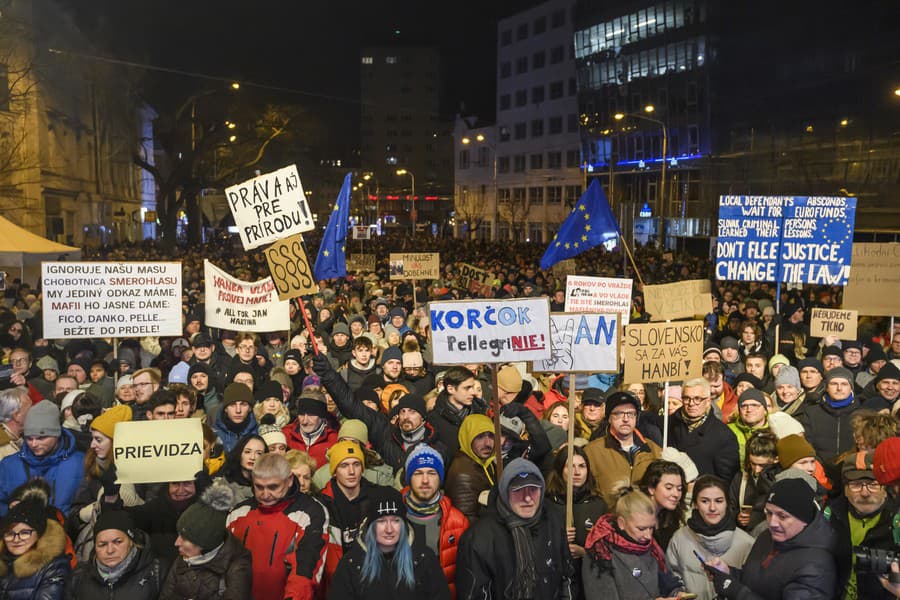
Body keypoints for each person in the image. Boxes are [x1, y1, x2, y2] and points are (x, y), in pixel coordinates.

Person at [456, 457, 573, 600]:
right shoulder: (479, 538)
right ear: (505, 493)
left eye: (533, 489)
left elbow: (567, 578)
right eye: (518, 490)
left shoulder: (552, 521)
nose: (528, 498)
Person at [704, 478, 838, 600]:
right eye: (769, 513)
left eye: (782, 516)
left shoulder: (817, 565)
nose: (772, 523)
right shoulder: (768, 537)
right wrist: (729, 574)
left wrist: (736, 591)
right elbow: (758, 582)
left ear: (803, 518)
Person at [227, 453, 328, 600]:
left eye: (273, 487)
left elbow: (305, 569)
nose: (265, 494)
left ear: (289, 481)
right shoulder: (238, 513)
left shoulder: (311, 512)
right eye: (259, 487)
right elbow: (224, 564)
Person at [328, 486, 451, 600]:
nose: (389, 529)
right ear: (371, 526)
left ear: (403, 524)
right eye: (381, 521)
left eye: (395, 521)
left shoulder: (424, 559)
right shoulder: (351, 564)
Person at [582, 490, 686, 599]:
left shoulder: (652, 547)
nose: (648, 536)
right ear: (622, 523)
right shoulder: (600, 552)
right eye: (641, 529)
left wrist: (677, 593)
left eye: (651, 528)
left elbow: (668, 582)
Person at [160, 480, 253, 600]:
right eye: (179, 535)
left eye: (185, 539)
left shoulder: (237, 567)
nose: (176, 543)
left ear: (205, 544)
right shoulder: (183, 558)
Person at [666, 475, 754, 600]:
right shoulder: (679, 538)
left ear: (727, 503)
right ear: (695, 504)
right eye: (705, 501)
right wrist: (677, 593)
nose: (712, 508)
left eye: (719, 501)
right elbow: (671, 579)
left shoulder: (747, 543)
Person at [826, 450, 897, 600]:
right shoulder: (829, 517)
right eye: (856, 485)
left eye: (873, 484)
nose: (865, 493)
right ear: (845, 489)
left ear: (885, 489)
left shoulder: (896, 520)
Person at [401, 444, 469, 597]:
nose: (425, 480)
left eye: (432, 473)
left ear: (440, 478)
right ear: (408, 478)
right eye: (418, 473)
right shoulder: (393, 517)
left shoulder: (458, 522)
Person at [545, 446, 607, 600]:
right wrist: (556, 539)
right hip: (554, 583)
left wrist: (585, 553)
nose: (577, 472)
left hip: (589, 583)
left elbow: (608, 550)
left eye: (582, 466)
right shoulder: (546, 504)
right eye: (570, 466)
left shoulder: (598, 505)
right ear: (560, 469)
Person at [0, 401, 85, 514]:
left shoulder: (82, 463)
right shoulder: (9, 465)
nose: (34, 444)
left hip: (66, 530)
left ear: (56, 434)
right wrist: (9, 509)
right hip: (19, 530)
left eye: (41, 438)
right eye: (29, 438)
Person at [584, 390, 662, 507]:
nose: (626, 419)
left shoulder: (653, 450)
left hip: (645, 520)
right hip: (608, 520)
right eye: (619, 414)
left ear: (637, 417)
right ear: (609, 418)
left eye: (631, 414)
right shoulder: (591, 452)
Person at [66, 510, 164, 599]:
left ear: (131, 542)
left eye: (118, 542)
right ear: (95, 547)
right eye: (102, 544)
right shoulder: (79, 576)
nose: (110, 550)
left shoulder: (156, 572)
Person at [666, 377, 740, 484]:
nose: (691, 403)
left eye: (698, 399)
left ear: (708, 401)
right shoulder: (668, 424)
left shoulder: (724, 435)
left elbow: (727, 480)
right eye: (687, 398)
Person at [0, 498, 70, 599]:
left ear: (38, 534)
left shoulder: (54, 566)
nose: (16, 539)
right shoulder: (3, 563)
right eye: (10, 533)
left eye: (24, 533)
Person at [445, 414, 497, 522]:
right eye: (480, 437)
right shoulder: (463, 475)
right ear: (467, 438)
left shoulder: (485, 463)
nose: (487, 443)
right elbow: (467, 521)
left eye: (491, 436)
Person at [640, 460, 689, 551]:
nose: (676, 494)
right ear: (651, 488)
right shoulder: (636, 516)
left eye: (679, 489)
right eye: (669, 488)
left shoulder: (670, 515)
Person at [212, 383, 259, 454]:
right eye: (232, 404)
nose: (238, 410)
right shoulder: (213, 435)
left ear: (250, 408)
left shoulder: (260, 432)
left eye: (243, 404)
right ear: (225, 409)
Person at [0, 387, 32, 460]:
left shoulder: (18, 437)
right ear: (16, 415)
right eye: (30, 409)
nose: (34, 413)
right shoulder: (3, 446)